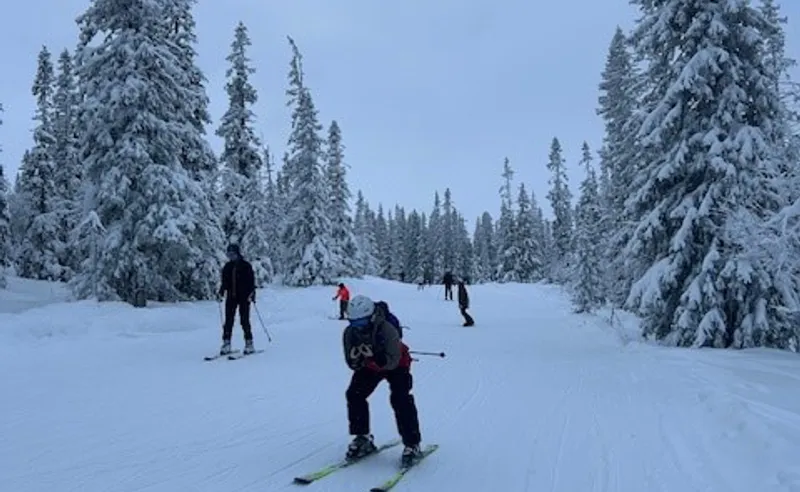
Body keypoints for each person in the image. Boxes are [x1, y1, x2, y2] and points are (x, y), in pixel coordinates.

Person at [342, 295, 423, 467]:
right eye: (354, 323)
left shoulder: (387, 329)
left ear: (371, 317)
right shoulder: (350, 333)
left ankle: (412, 443)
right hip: (370, 366)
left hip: (397, 364)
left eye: (361, 323)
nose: (358, 328)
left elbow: (393, 360)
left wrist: (377, 358)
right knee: (354, 394)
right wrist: (357, 360)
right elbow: (351, 362)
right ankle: (362, 437)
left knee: (400, 399)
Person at [217, 244, 256, 355]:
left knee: (244, 320)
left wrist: (252, 294)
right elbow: (224, 282)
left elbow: (251, 281)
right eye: (229, 254)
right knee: (229, 321)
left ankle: (249, 343)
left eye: (233, 254)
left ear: (238, 253)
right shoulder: (227, 267)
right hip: (231, 297)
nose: (231, 256)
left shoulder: (246, 266)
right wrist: (221, 292)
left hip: (244, 297)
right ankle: (226, 343)